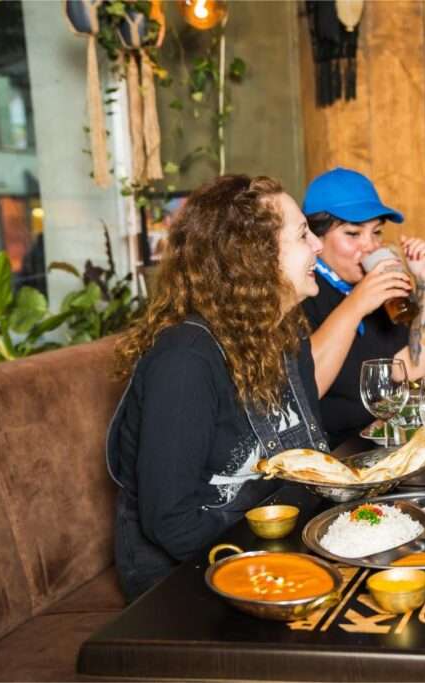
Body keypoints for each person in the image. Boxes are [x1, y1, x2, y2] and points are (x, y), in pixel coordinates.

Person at [107, 175, 329, 601]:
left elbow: (309, 464)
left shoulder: (287, 335)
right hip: (183, 577)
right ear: (254, 256)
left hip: (270, 543)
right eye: (303, 234)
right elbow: (170, 522)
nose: (318, 246)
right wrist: (282, 567)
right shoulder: (185, 359)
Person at [301, 167, 425, 446]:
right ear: (314, 240)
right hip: (326, 454)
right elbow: (304, 387)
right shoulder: (304, 291)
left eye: (376, 232)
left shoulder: (371, 290)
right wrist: (357, 304)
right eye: (353, 234)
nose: (370, 246)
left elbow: (412, 368)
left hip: (374, 445)